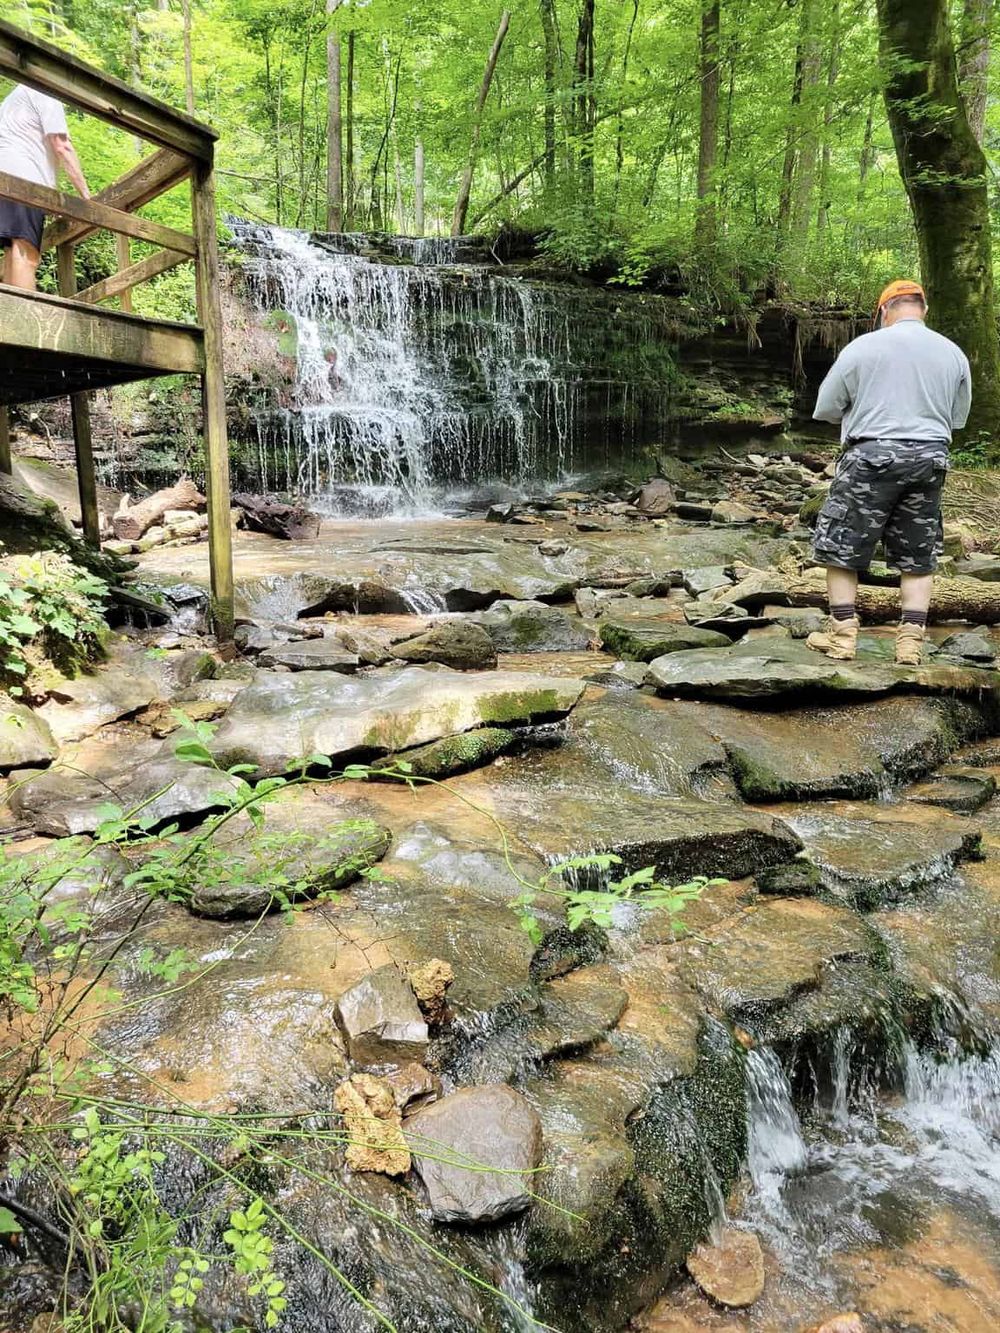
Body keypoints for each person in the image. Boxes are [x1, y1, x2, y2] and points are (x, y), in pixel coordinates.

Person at [805, 279, 971, 667]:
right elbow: (957, 419)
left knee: (843, 545)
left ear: (884, 311)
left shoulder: (863, 347)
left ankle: (842, 637)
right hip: (930, 458)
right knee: (918, 554)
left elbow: (826, 408)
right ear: (923, 309)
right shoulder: (953, 354)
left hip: (872, 454)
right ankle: (910, 646)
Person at [0, 82, 90, 291]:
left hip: (5, 179)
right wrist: (87, 198)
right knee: (26, 255)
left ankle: (10, 320)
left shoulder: (12, 101)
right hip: (24, 180)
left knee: (13, 252)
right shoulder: (45, 89)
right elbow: (62, 147)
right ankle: (25, 321)